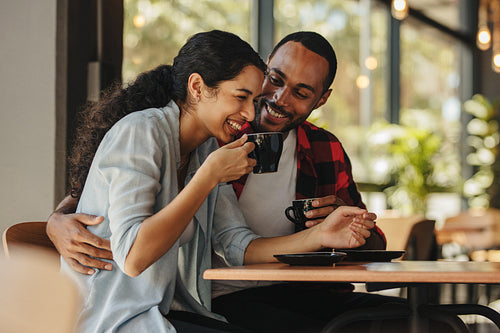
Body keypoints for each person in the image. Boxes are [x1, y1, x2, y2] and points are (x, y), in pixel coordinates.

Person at [55, 29, 377, 333]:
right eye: (241, 97)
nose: (251, 114)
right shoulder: (143, 131)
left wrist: (321, 234)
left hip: (163, 312)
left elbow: (237, 244)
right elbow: (133, 256)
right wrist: (208, 177)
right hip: (108, 319)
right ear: (197, 88)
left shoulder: (207, 147)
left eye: (253, 100)